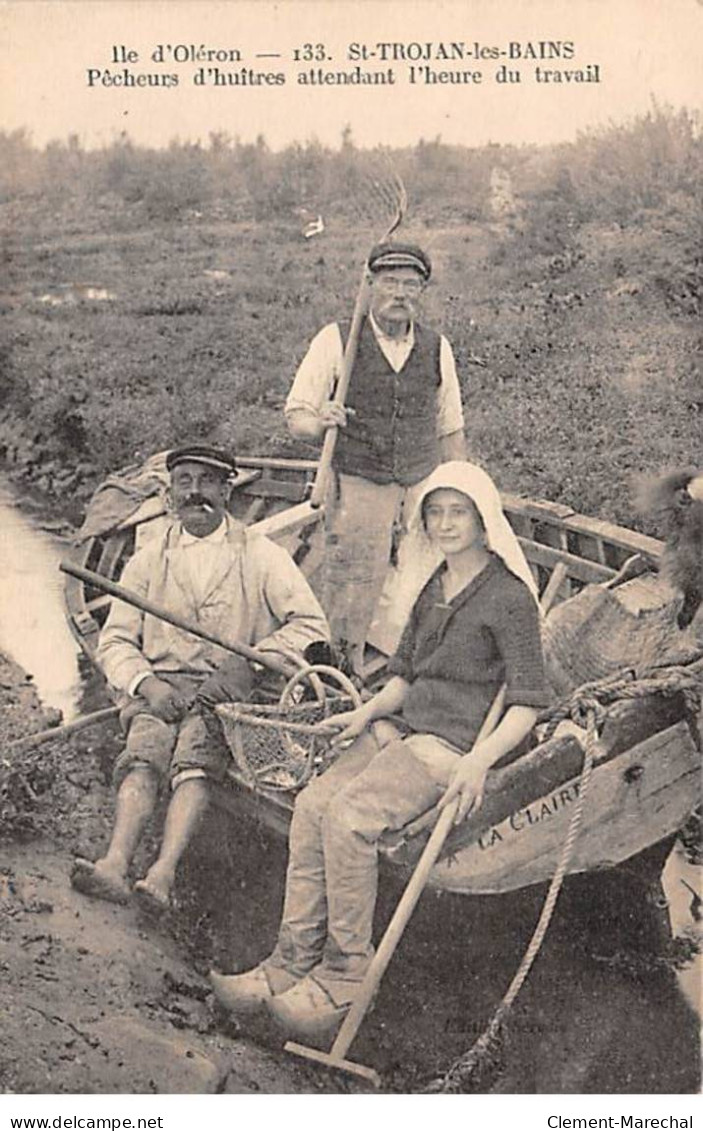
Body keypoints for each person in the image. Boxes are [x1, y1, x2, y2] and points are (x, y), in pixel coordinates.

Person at [210, 461, 551, 1037]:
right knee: (315, 803)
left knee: (349, 820)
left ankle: (343, 976)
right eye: (435, 513)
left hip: (451, 747)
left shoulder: (509, 599)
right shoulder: (433, 586)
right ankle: (288, 961)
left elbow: (528, 703)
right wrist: (364, 713)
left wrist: (477, 763)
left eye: (457, 513)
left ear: (482, 519)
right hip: (400, 728)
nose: (445, 525)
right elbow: (404, 676)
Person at [70, 443, 330, 913]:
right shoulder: (148, 558)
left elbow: (311, 628)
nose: (196, 493)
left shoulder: (261, 554)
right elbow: (115, 641)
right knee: (144, 753)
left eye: (207, 482)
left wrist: (248, 663)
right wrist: (147, 684)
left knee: (195, 759)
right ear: (171, 493)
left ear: (228, 490)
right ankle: (113, 863)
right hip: (161, 686)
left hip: (225, 695)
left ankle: (162, 875)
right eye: (185, 482)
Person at [285, 241, 467, 667]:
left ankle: (410, 666)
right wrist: (321, 421)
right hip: (359, 483)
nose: (400, 294)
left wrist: (459, 488)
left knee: (422, 578)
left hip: (422, 482)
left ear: (421, 291)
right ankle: (340, 671)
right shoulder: (336, 341)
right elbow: (297, 417)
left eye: (410, 284)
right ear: (369, 287)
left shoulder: (437, 347)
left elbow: (450, 427)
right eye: (389, 283)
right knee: (352, 584)